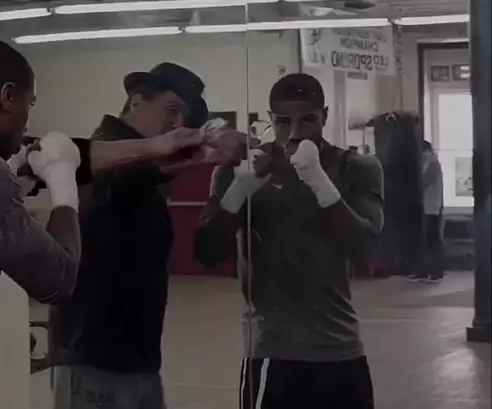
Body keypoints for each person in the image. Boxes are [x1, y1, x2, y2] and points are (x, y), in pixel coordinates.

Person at [0, 41, 232, 408]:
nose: (26, 123)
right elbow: (57, 280)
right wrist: (62, 182)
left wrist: (160, 149)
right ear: (7, 97)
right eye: (28, 105)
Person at [48, 62, 246, 409]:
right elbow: (128, 173)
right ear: (137, 102)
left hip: (136, 360)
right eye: (171, 110)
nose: (177, 124)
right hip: (92, 358)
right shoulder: (101, 155)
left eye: (184, 117)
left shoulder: (147, 170)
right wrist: (204, 141)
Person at [194, 73, 383, 409]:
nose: (295, 132)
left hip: (341, 349)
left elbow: (365, 247)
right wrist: (238, 192)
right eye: (283, 122)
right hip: (273, 352)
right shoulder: (246, 169)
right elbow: (207, 252)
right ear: (271, 120)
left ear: (324, 116)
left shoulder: (355, 167)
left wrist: (318, 181)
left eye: (307, 119)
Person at [409, 140, 444, 283]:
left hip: (432, 208)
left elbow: (424, 181)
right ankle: (424, 271)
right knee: (425, 241)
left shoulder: (433, 164)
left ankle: (437, 272)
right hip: (426, 207)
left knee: (432, 240)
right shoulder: (426, 163)